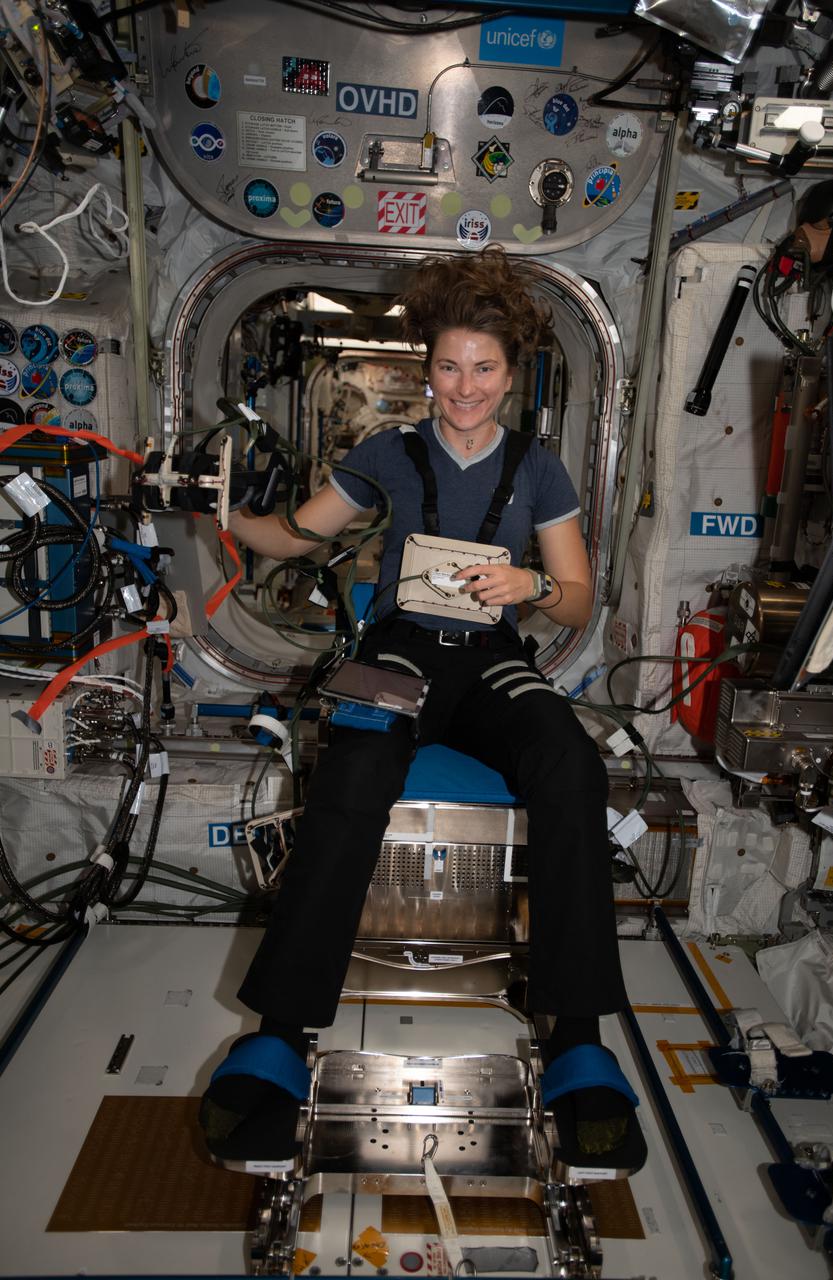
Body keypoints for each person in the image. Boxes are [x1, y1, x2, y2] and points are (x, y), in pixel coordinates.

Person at [199, 247, 646, 1174]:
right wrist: (220, 513)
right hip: (398, 655)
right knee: (354, 766)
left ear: (510, 375)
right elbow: (292, 534)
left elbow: (575, 597)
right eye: (449, 366)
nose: (465, 386)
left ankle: (580, 1037)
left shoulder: (540, 469)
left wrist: (529, 581)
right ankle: (278, 1035)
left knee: (570, 763)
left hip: (489, 661)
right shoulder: (384, 454)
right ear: (427, 368)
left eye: (484, 368)